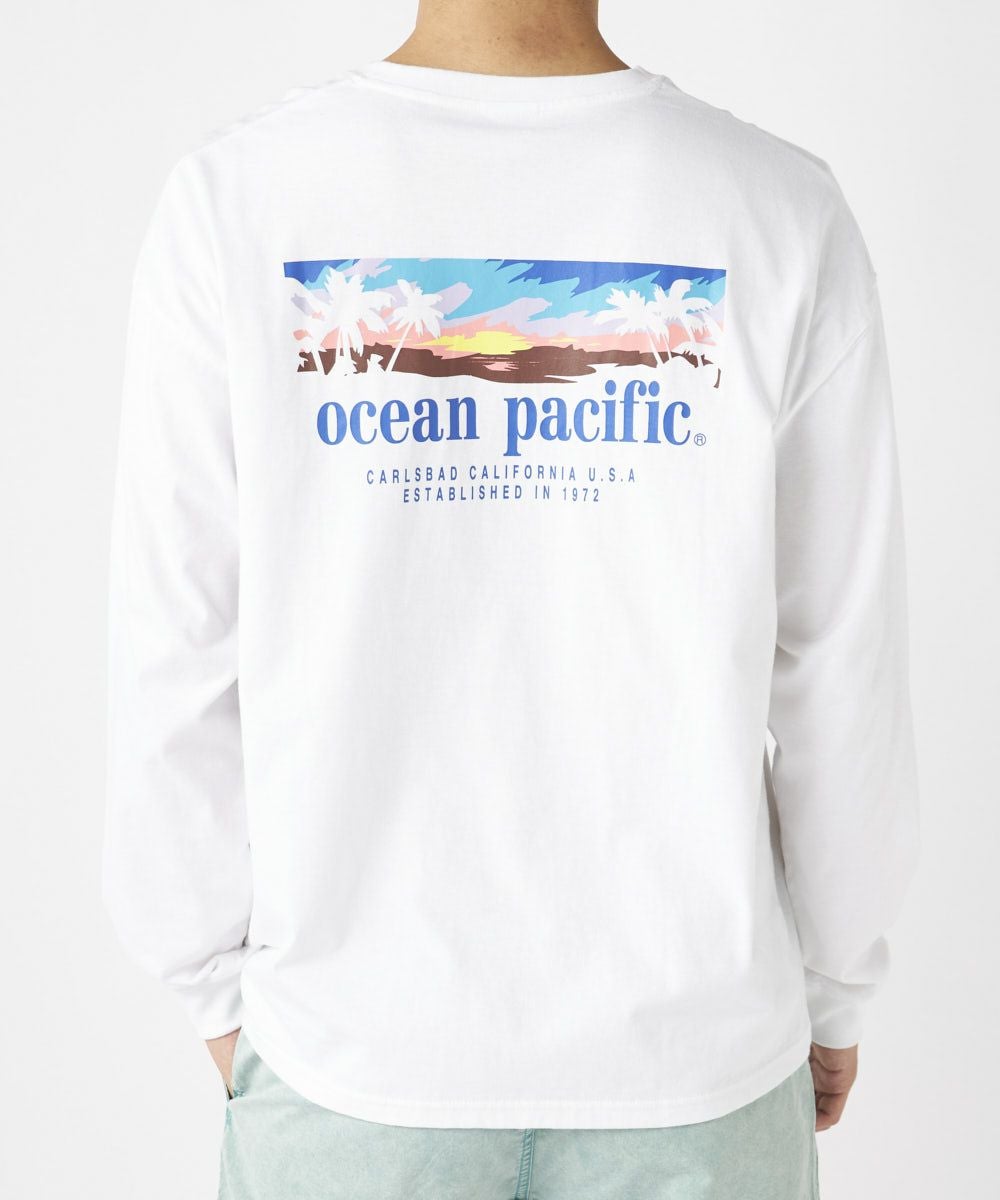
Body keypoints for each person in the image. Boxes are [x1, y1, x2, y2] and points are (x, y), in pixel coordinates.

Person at [102, 1, 920, 1196]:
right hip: (693, 1067)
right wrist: (835, 984)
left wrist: (217, 992)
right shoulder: (776, 208)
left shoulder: (239, 199)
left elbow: (172, 644)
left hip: (351, 1063)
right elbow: (843, 664)